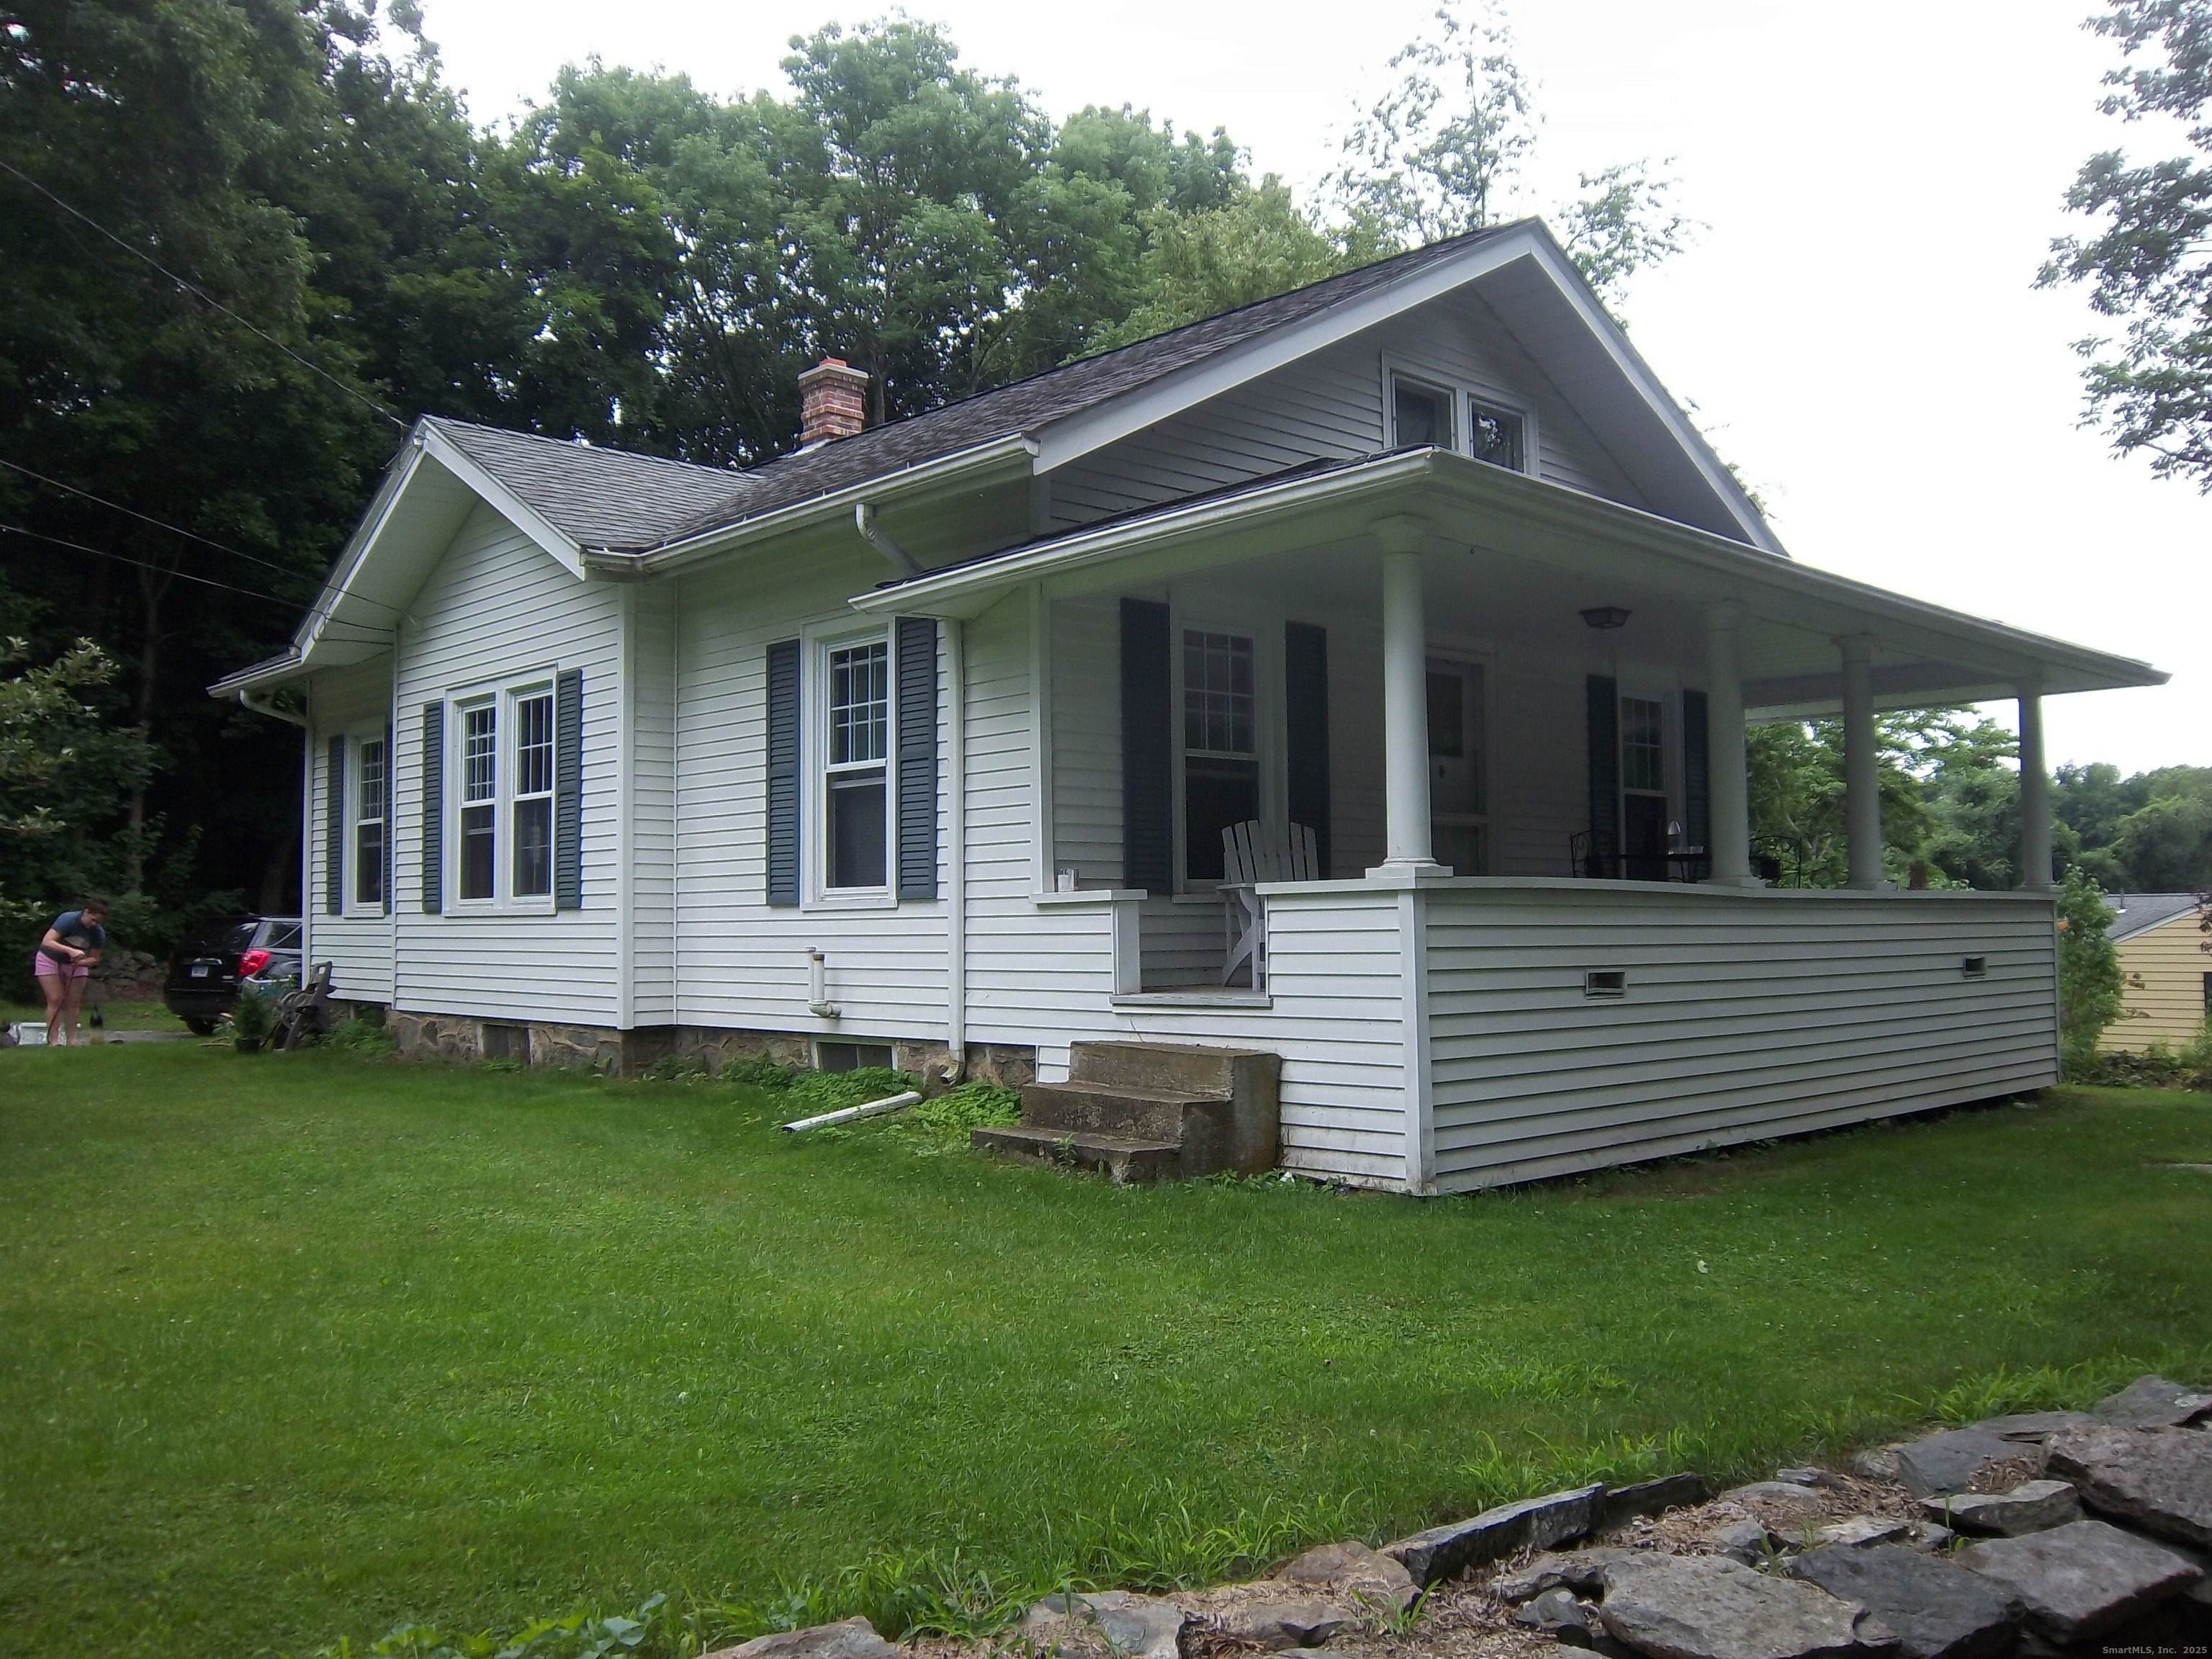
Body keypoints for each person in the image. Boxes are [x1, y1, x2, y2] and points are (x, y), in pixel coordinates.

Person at [35, 898, 109, 1048]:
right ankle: (54, 1041)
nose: (94, 924)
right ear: (86, 912)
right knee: (55, 999)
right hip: (49, 958)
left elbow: (94, 958)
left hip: (75, 963)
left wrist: (82, 962)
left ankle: (71, 1041)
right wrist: (70, 951)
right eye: (93, 920)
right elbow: (47, 941)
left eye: (97, 922)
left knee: (73, 1002)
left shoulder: (97, 933)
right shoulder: (68, 919)